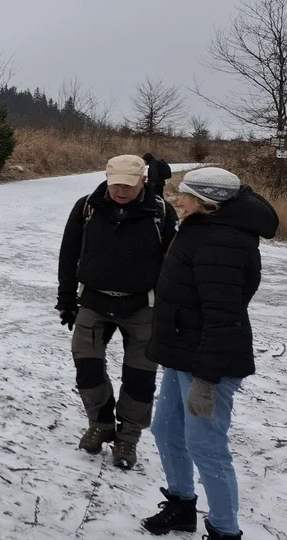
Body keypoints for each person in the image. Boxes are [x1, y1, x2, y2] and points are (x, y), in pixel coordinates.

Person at [140, 168, 277, 539]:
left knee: (207, 447)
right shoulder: (201, 230)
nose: (177, 201)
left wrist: (207, 378)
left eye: (184, 195)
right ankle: (182, 505)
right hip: (184, 352)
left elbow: (223, 314)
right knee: (166, 429)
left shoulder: (223, 242)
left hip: (209, 362)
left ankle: (225, 530)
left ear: (207, 202)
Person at [56, 154, 177, 469]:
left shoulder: (161, 212)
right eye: (115, 184)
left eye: (128, 184)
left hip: (142, 306)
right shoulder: (88, 208)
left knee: (140, 378)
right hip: (94, 302)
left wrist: (170, 310)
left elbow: (174, 265)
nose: (120, 190)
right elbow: (68, 254)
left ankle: (128, 438)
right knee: (87, 369)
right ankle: (100, 423)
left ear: (143, 181)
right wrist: (66, 300)